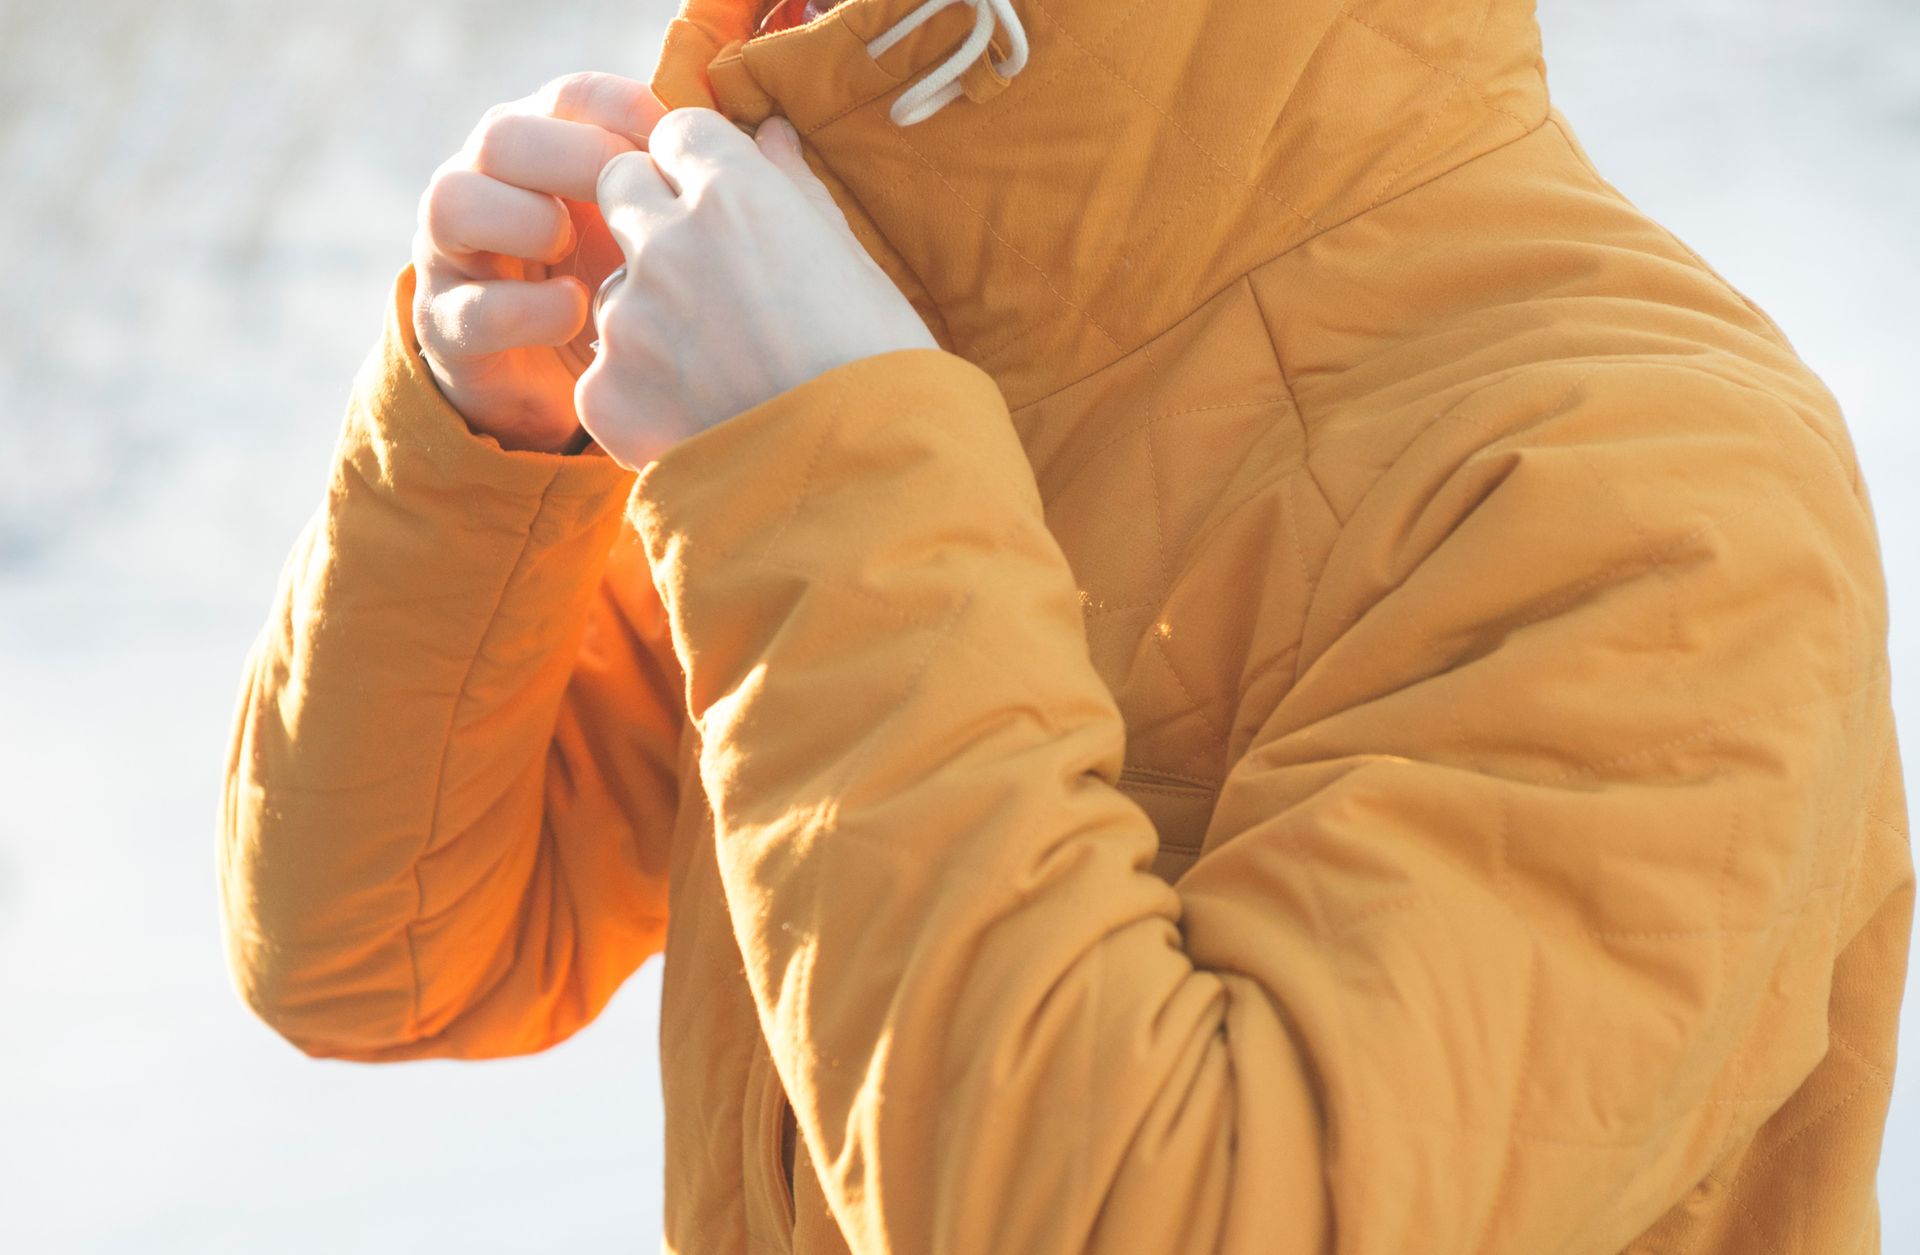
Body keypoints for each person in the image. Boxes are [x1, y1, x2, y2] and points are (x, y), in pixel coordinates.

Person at [216, 0, 1913, 1250]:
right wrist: (492, 443)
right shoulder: (866, 305)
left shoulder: (1657, 489)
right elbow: (384, 961)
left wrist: (820, 456)